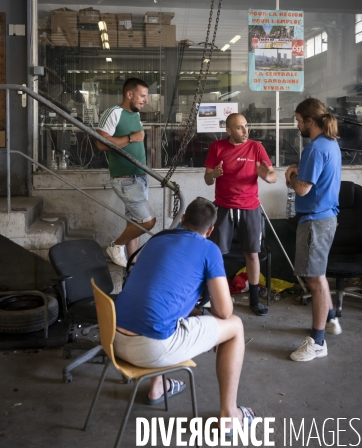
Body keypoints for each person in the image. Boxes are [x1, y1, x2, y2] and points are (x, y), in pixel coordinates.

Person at [113, 197, 256, 433]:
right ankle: (230, 416)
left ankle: (158, 386)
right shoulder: (209, 249)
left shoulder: (156, 240)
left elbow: (160, 292)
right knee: (235, 327)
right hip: (151, 349)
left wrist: (198, 313)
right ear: (210, 230)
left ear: (182, 220)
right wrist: (207, 317)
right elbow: (224, 311)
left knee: (162, 312)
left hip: (114, 340)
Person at [285, 97, 342, 362]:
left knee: (314, 280)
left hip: (315, 220)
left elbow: (303, 188)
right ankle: (330, 319)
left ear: (310, 120)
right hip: (326, 216)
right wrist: (300, 171)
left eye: (298, 120)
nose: (297, 125)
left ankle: (317, 342)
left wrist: (291, 176)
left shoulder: (315, 148)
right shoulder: (330, 144)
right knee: (318, 277)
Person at [204, 113, 277, 316]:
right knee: (217, 254)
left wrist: (267, 176)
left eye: (246, 126)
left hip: (250, 207)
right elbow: (207, 179)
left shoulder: (256, 147)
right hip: (223, 207)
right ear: (228, 130)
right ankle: (210, 297)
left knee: (252, 254)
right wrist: (214, 175)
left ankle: (254, 299)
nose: (245, 131)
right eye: (239, 128)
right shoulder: (217, 147)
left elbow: (273, 176)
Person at [97, 78, 156, 267]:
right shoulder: (114, 112)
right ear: (129, 94)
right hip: (126, 179)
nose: (145, 100)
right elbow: (101, 143)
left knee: (135, 223)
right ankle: (116, 245)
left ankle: (132, 264)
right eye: (142, 96)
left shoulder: (135, 115)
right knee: (148, 222)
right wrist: (131, 138)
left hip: (139, 177)